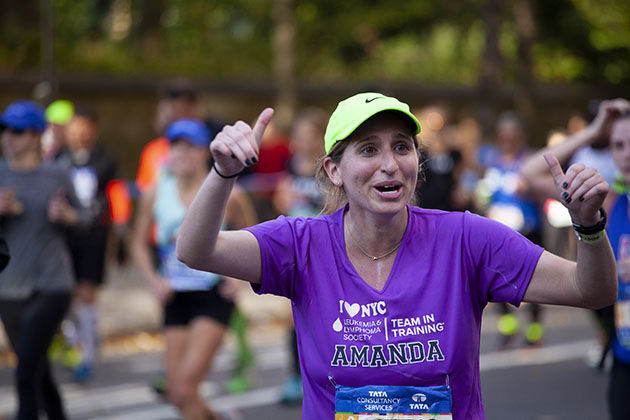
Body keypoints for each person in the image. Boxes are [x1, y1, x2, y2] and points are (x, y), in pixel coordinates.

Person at [175, 92, 616, 419]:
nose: (390, 163)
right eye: (369, 149)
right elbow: (196, 249)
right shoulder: (300, 244)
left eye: (401, 146)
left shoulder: (465, 239)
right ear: (334, 170)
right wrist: (223, 173)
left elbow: (591, 289)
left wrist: (589, 226)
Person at [131, 118, 256, 420]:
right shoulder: (156, 193)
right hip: (175, 297)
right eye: (176, 147)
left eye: (190, 147)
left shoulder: (229, 193)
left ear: (205, 153)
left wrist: (237, 277)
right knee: (177, 395)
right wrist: (154, 284)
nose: (181, 154)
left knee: (186, 388)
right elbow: (136, 244)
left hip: (212, 295)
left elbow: (257, 238)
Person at [520, 98, 630, 419]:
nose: (625, 154)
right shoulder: (610, 203)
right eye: (618, 145)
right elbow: (529, 172)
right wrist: (594, 131)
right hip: (623, 359)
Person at [0, 100, 87, 420]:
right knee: (40, 373)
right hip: (8, 288)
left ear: (37, 136)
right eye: (4, 129)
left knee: (24, 374)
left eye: (18, 131)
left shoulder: (56, 174)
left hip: (52, 285)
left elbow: (87, 219)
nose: (8, 136)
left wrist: (67, 215)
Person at [56, 105, 120, 381]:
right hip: (64, 236)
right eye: (75, 126)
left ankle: (88, 354)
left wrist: (122, 238)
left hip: (94, 235)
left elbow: (117, 199)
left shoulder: (106, 159)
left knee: (86, 291)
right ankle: (75, 343)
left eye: (85, 126)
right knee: (65, 294)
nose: (80, 132)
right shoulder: (58, 160)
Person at [272, 107, 329, 404]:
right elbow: (281, 201)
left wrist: (307, 200)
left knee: (327, 311)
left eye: (309, 136)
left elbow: (336, 207)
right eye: (299, 136)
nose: (303, 142)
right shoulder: (291, 167)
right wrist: (287, 199)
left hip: (326, 248)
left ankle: (328, 372)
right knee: (293, 315)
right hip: (296, 249)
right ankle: (296, 376)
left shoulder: (330, 169)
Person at [475, 112, 545, 348]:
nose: (507, 138)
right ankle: (508, 327)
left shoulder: (531, 160)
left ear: (520, 136)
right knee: (494, 278)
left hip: (528, 229)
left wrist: (529, 188)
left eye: (511, 134)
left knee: (534, 280)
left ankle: (534, 330)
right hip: (499, 231)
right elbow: (485, 194)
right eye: (503, 134)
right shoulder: (493, 161)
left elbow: (544, 193)